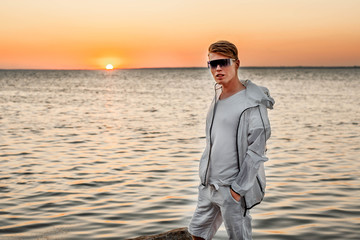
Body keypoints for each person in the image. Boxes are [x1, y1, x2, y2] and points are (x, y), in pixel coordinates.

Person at [188, 40, 274, 240]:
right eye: (213, 64)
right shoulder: (217, 96)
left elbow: (257, 151)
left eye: (224, 62)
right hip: (209, 185)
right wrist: (204, 179)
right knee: (197, 235)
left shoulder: (251, 102)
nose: (218, 68)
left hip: (232, 189)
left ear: (236, 63)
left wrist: (238, 189)